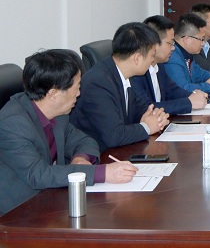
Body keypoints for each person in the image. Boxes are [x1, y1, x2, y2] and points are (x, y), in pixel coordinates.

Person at [0, 50, 137, 215]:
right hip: (18, 212)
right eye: (76, 87)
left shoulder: (57, 112)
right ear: (53, 94)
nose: (79, 93)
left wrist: (81, 158)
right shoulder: (12, 123)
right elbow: (38, 174)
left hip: (51, 198)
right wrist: (103, 173)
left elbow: (84, 140)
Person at [70, 23, 170, 152]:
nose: (152, 61)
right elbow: (114, 135)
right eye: (152, 55)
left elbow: (142, 109)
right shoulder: (98, 83)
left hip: (120, 150)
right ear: (137, 58)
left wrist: (156, 117)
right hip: (96, 156)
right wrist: (147, 127)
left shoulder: (127, 75)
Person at [130, 16, 208, 115]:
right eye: (170, 43)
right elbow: (146, 108)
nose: (173, 48)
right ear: (154, 44)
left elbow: (172, 91)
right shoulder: (137, 73)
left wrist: (193, 95)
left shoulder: (159, 65)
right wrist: (188, 103)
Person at [164, 13, 210, 98]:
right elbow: (183, 88)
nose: (203, 43)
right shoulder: (172, 57)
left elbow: (201, 74)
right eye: (201, 39)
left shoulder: (187, 54)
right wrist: (209, 86)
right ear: (187, 39)